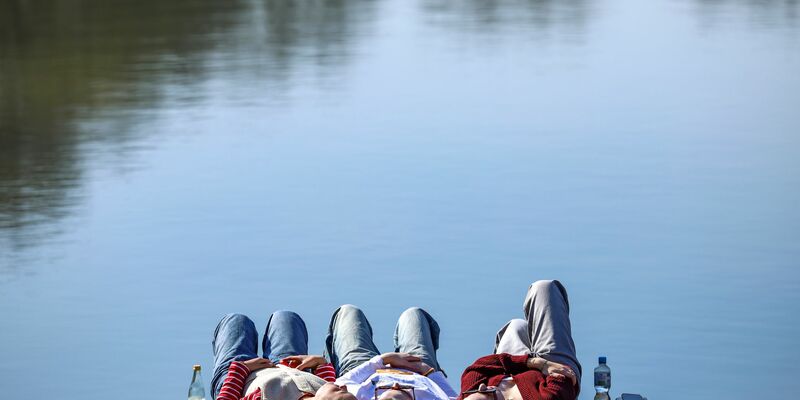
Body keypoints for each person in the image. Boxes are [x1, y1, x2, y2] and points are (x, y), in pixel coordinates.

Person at [459, 280, 581, 400]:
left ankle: (531, 352)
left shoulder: (470, 393)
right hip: (554, 367)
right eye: (490, 394)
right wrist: (545, 364)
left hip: (522, 366)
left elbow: (479, 366)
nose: (482, 386)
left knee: (516, 326)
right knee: (544, 288)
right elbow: (563, 383)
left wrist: (533, 362)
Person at [211, 311, 356, 400]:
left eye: (339, 391)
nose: (344, 386)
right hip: (291, 367)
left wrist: (240, 368)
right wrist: (320, 363)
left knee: (236, 321)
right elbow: (326, 383)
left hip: (242, 377)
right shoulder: (323, 390)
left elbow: (227, 398)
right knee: (286, 317)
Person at [324, 305, 458, 400]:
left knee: (348, 312)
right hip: (420, 370)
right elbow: (452, 396)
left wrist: (384, 359)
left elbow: (341, 384)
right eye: (402, 391)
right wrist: (431, 372)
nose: (395, 385)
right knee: (414, 314)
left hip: (365, 370)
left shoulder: (358, 396)